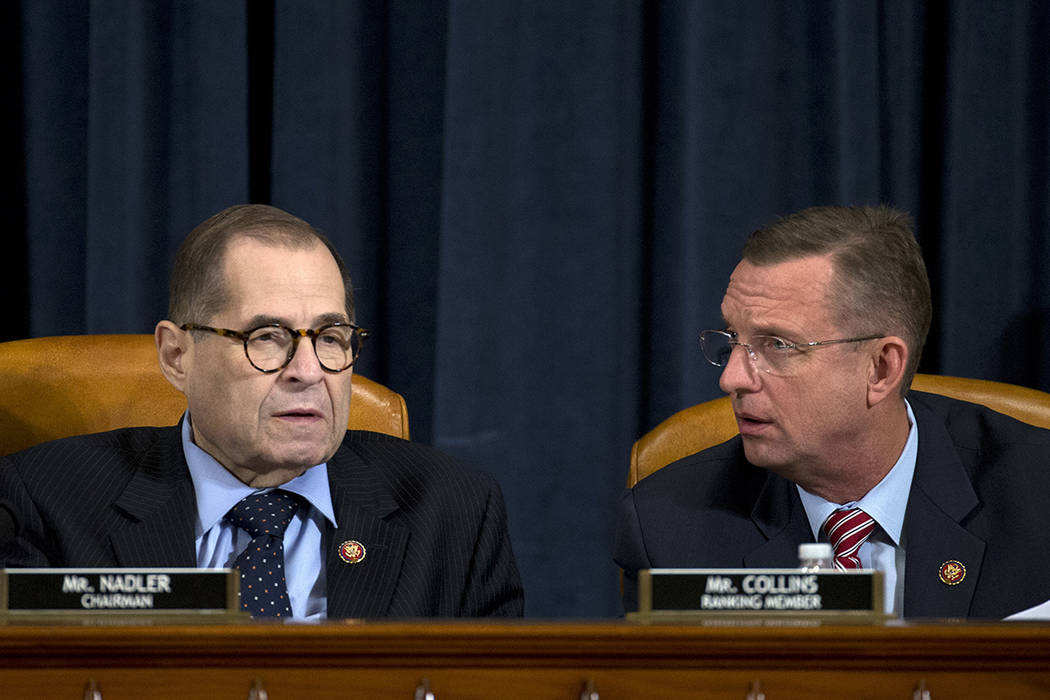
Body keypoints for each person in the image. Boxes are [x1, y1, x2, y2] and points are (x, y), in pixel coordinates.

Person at [0, 204, 523, 619]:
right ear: (176, 356)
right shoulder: (45, 501)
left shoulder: (453, 513)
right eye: (267, 338)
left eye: (331, 337)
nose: (309, 371)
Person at [615, 205, 1050, 619]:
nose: (732, 378)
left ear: (881, 368)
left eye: (778, 345)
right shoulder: (670, 528)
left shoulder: (1037, 495)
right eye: (732, 338)